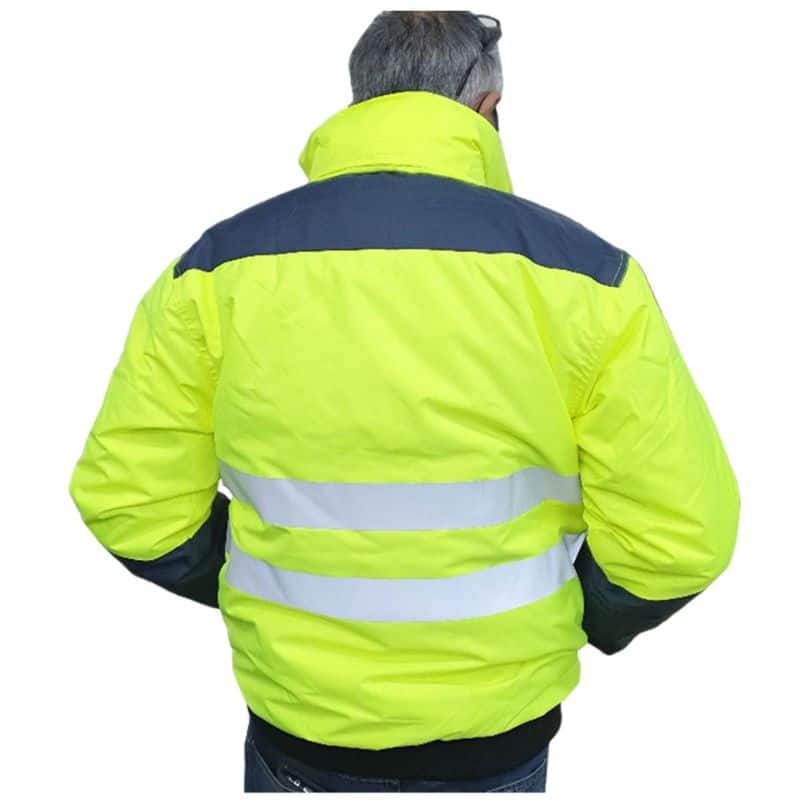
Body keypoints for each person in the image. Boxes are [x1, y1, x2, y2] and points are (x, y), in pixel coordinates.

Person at [69, 10, 740, 793]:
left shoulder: (214, 273)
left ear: (363, 99)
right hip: (497, 733)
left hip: (302, 733)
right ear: (488, 109)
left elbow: (129, 501)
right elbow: (681, 535)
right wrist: (582, 612)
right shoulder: (588, 280)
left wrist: (253, 578)